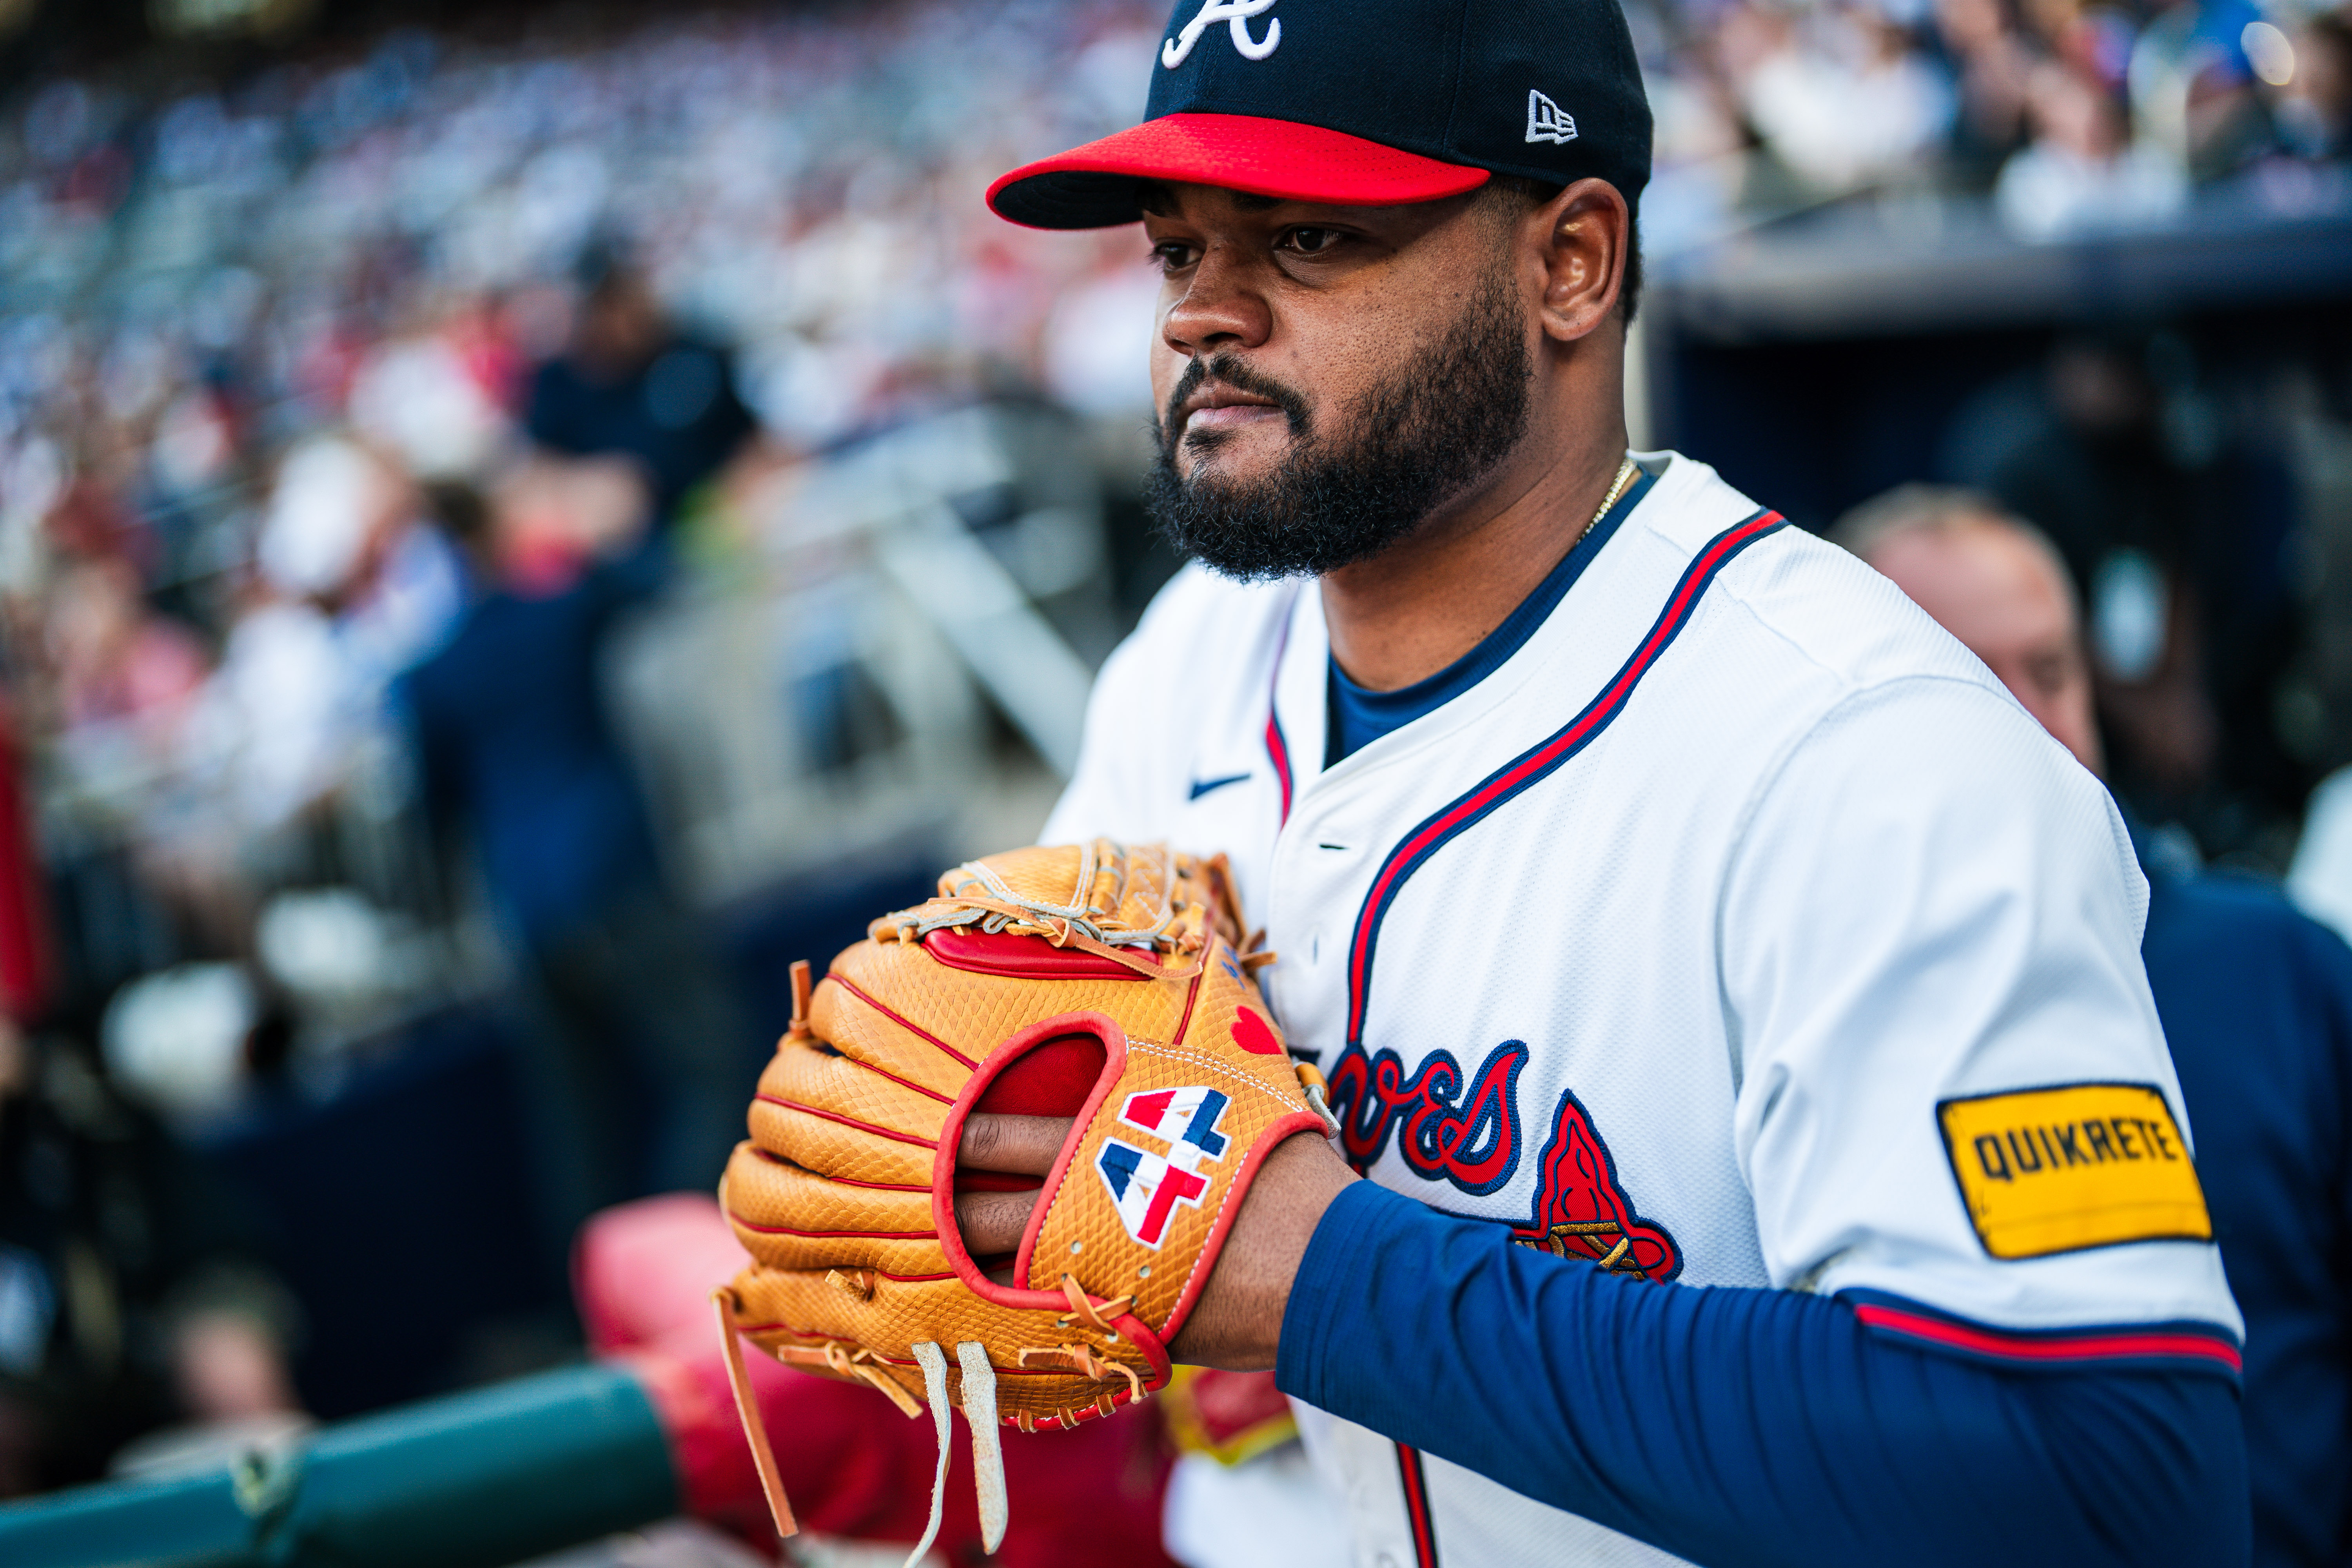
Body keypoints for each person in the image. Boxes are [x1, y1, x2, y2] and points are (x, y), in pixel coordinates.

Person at [940, 2, 2248, 1564]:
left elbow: (2113, 1478)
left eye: (1302, 241)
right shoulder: (1187, 668)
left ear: (1571, 261)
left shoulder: (1869, 753)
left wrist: (1321, 1282)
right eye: (1174, 249)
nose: (1200, 318)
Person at [1837, 485, 2352, 1568]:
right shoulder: (1803, 1012)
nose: (2035, 724)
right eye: (1972, 679)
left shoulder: (2277, 966)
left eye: (2055, 669)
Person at [396, 475, 748, 1265]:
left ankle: (606, 1297)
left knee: (579, 1132)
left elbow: (432, 812)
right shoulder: (556, 615)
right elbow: (653, 575)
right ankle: (679, 1257)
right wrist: (585, 528)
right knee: (710, 1067)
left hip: (530, 916)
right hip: (619, 883)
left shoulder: (433, 674)